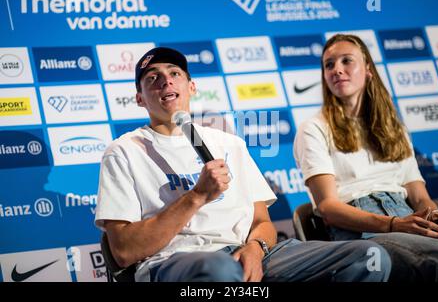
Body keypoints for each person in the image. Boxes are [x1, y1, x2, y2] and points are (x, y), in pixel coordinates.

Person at [95, 46, 391, 282]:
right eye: (152, 78)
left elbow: (262, 223)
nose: (166, 80)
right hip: (181, 261)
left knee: (369, 256)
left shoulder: (229, 143)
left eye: (175, 73)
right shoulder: (123, 152)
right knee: (221, 272)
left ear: (191, 86)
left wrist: (255, 248)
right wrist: (197, 196)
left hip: (252, 254)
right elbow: (124, 251)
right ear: (139, 99)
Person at [293, 34, 438, 282]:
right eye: (329, 64)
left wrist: (435, 221)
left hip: (405, 216)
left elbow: (420, 197)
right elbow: (328, 208)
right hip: (360, 231)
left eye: (347, 61)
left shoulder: (394, 128)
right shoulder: (313, 128)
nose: (337, 70)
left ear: (368, 70)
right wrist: (393, 224)